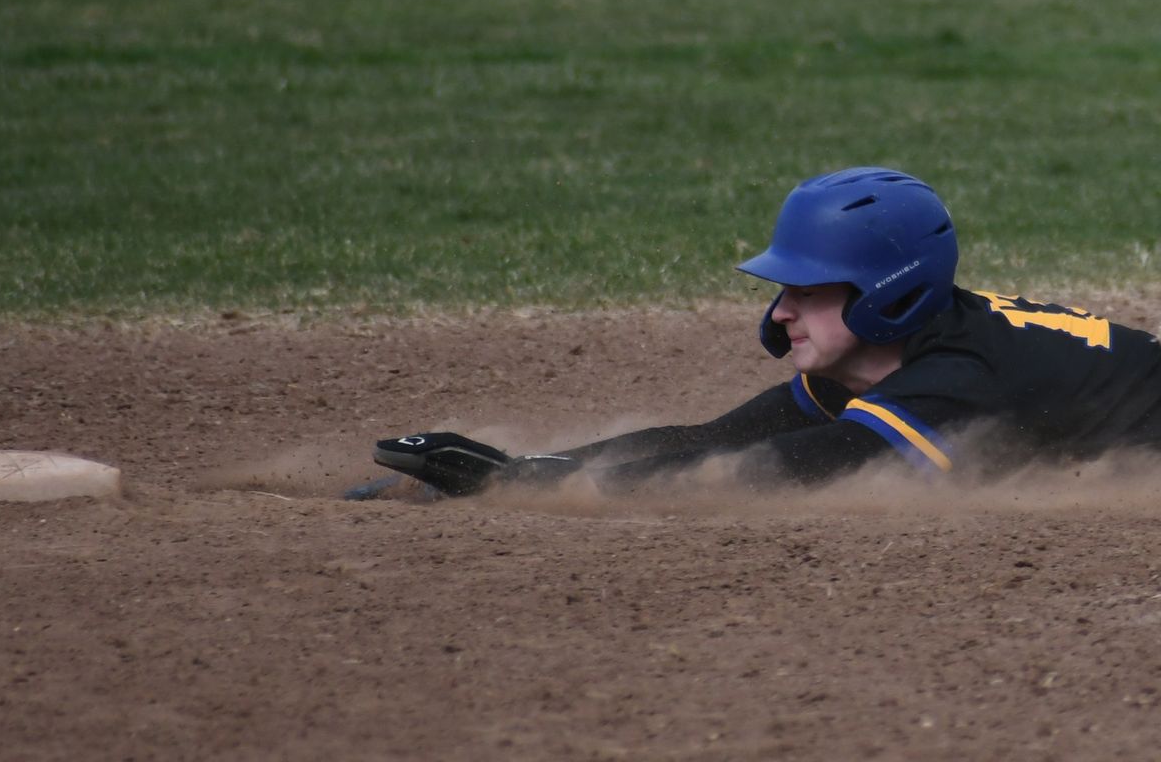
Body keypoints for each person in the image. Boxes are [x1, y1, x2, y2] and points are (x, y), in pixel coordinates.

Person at [355, 166, 1161, 500]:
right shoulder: (886, 359)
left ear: (889, 295)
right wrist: (526, 469)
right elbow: (715, 437)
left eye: (806, 292)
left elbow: (784, 468)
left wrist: (538, 495)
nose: (780, 313)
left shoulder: (953, 378)